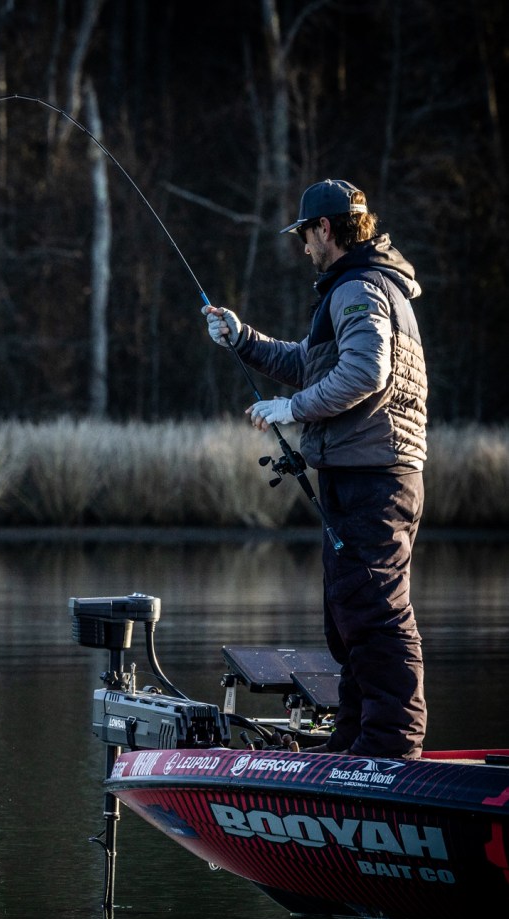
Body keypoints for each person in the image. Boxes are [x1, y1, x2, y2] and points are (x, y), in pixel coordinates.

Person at [203, 178, 427, 760]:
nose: (303, 247)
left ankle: (391, 748)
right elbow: (310, 361)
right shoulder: (362, 286)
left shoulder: (358, 287)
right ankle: (355, 739)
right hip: (364, 474)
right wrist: (242, 339)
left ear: (324, 229)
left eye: (304, 234)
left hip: (374, 477)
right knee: (348, 617)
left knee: (375, 613)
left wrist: (293, 409)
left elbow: (366, 372)